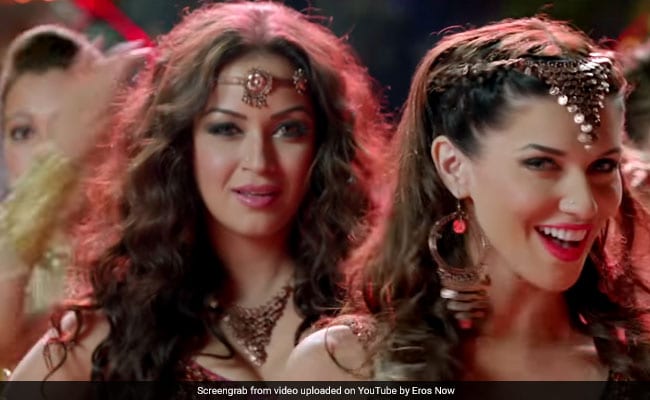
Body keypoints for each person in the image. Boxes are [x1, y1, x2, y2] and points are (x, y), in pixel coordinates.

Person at [9, 0, 388, 384]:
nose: (259, 161)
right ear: (180, 145)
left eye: (287, 130)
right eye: (227, 129)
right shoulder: (111, 333)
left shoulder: (381, 312)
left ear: (322, 145)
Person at [286, 16, 650, 383]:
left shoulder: (635, 368)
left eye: (603, 166)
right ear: (453, 166)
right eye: (542, 164)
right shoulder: (341, 368)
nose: (584, 204)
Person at [0, 25, 145, 373]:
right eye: (23, 131)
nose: (44, 151)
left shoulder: (155, 248)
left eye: (68, 124)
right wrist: (60, 156)